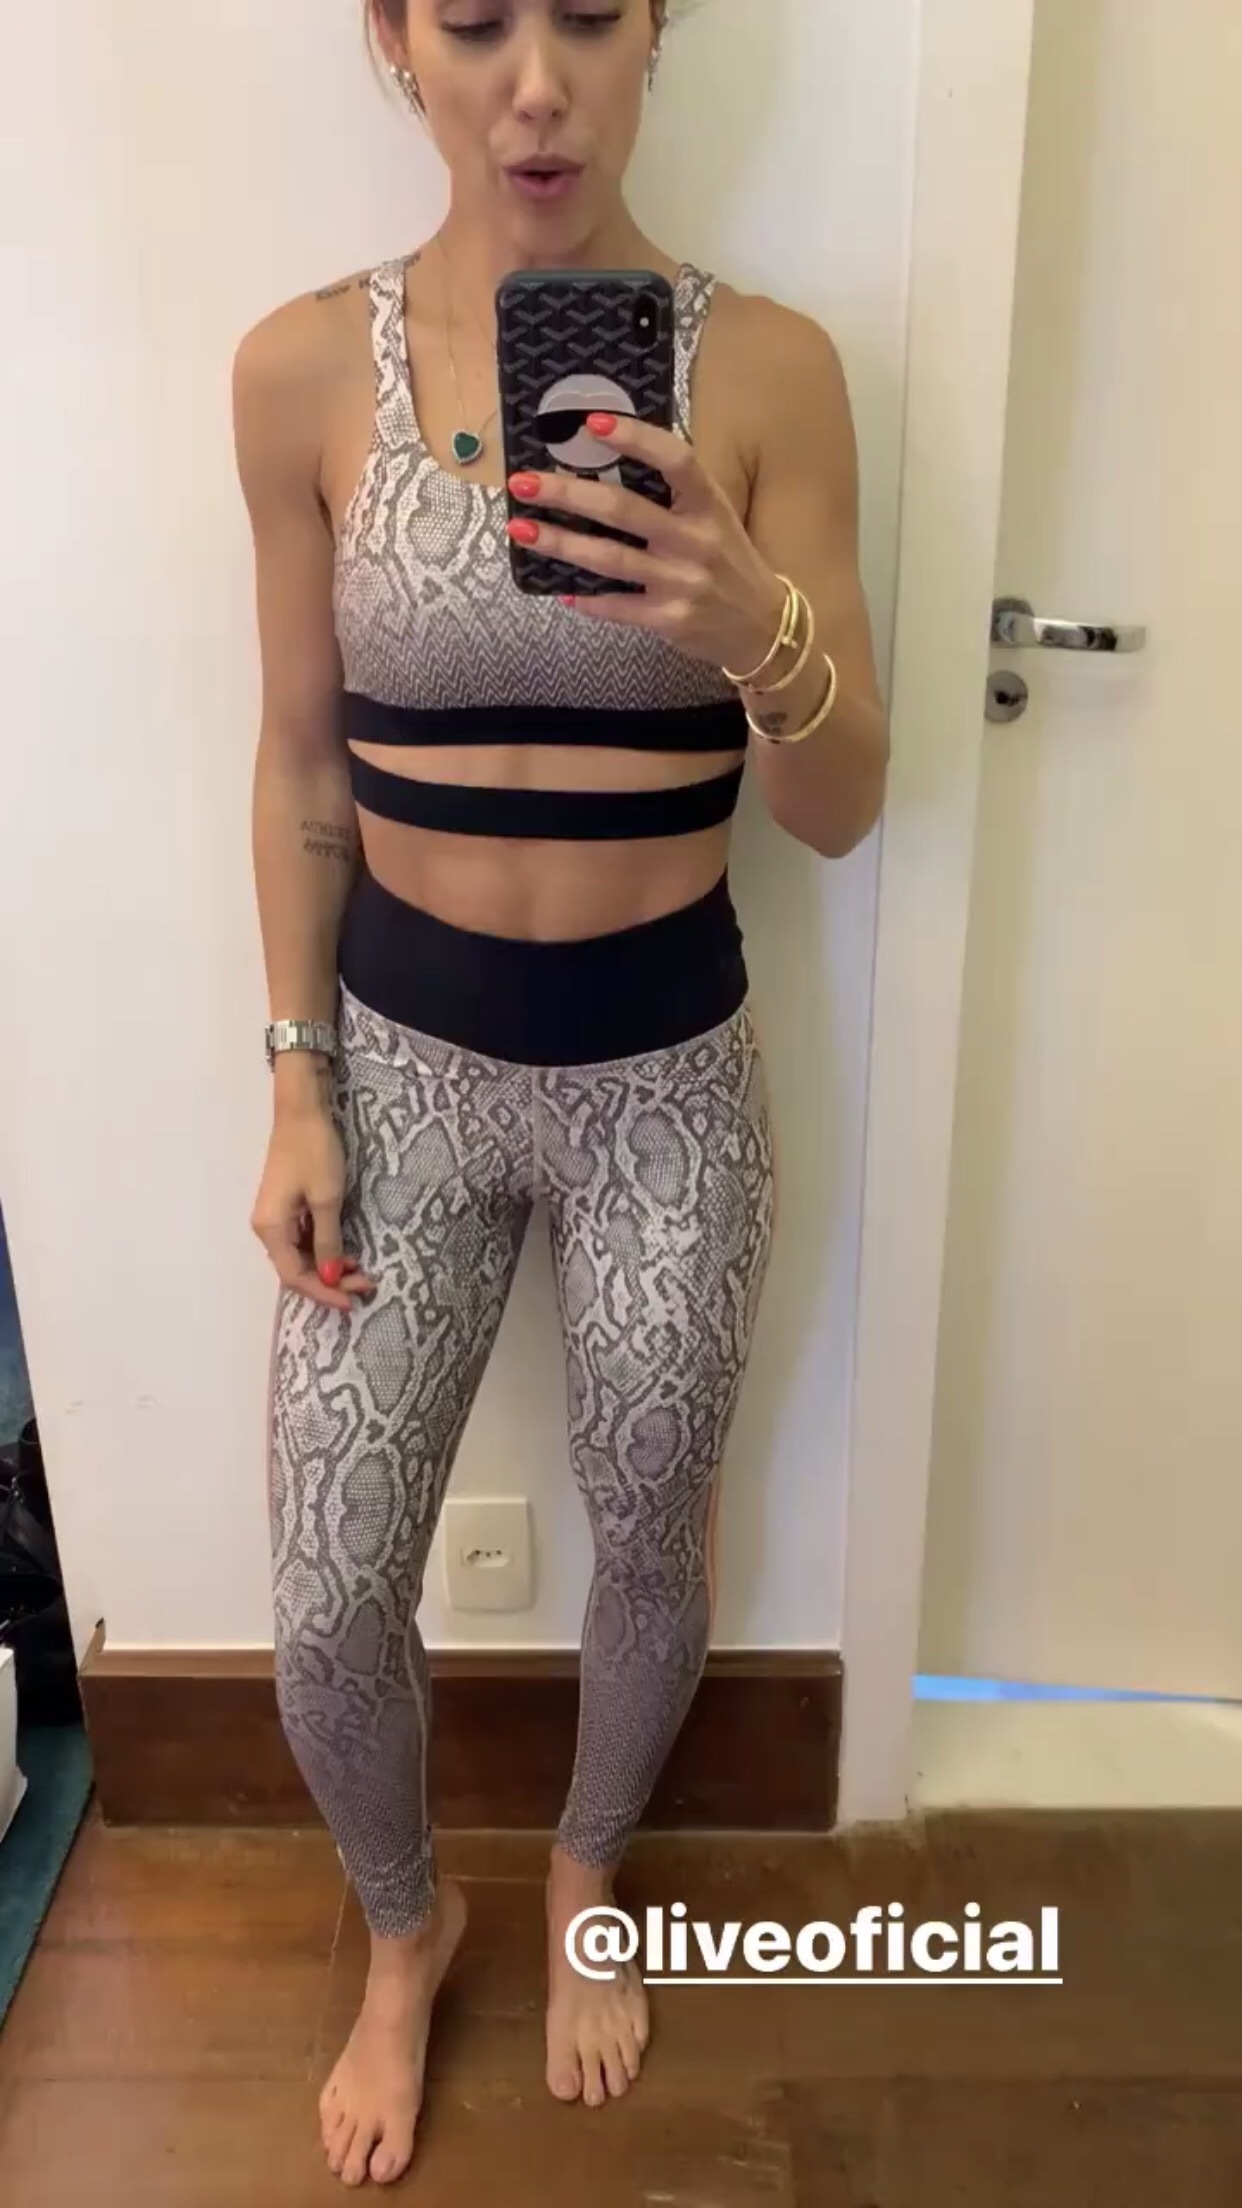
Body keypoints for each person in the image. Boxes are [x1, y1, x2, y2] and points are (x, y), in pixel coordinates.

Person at [233, 0, 889, 2187]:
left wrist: (751, 616)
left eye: (591, 15)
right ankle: (403, 1930)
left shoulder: (771, 373)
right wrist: (295, 1082)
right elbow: (301, 766)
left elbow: (841, 811)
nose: (537, 81)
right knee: (328, 1593)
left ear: (656, 34)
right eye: (479, 19)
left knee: (653, 1515)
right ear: (395, 41)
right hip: (400, 1077)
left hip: (663, 1080)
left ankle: (591, 1870)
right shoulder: (299, 373)